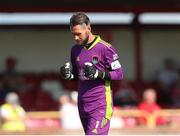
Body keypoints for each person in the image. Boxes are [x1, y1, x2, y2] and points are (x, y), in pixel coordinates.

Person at [60, 12, 123, 135]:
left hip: (100, 105)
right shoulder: (75, 49)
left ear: (88, 28)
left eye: (78, 34)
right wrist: (69, 76)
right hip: (82, 104)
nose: (76, 38)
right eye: (73, 34)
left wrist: (98, 74)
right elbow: (78, 75)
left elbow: (119, 74)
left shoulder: (105, 48)